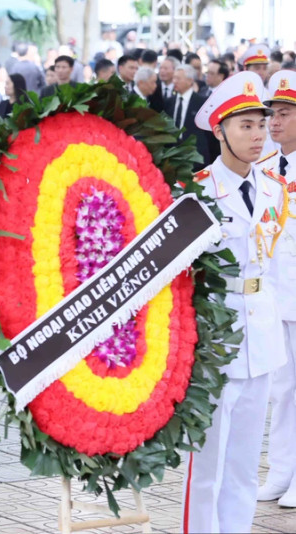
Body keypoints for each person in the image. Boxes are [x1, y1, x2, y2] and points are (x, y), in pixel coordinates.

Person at [183, 71, 286, 533]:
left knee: (245, 463)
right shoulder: (197, 192)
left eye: (261, 124)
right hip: (213, 341)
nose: (258, 134)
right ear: (220, 131)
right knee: (207, 467)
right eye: (245, 125)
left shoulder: (274, 189)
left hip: (260, 338)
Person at [255, 69, 296, 508]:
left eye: (284, 113)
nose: (275, 122)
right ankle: (282, 470)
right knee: (282, 389)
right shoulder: (265, 169)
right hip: (275, 294)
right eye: (273, 115)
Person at [164, 64, 211, 168]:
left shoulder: (202, 102)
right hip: (172, 157)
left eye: (178, 78)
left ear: (190, 81)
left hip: (195, 157)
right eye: (174, 78)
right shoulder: (168, 102)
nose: (174, 81)